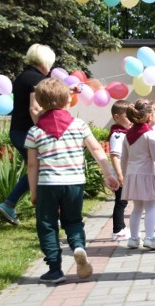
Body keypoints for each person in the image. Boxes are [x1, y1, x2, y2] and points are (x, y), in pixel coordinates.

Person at [25, 78, 119, 283]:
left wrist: (33, 191)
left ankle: (55, 269)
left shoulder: (35, 131)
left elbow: (32, 165)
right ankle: (77, 246)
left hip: (48, 184)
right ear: (67, 99)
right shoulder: (78, 125)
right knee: (73, 220)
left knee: (47, 224)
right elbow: (95, 149)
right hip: (74, 182)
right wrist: (108, 173)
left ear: (40, 101)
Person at [0, 44, 56, 226]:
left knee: (36, 169)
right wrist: (46, 130)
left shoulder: (24, 76)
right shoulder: (37, 79)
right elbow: (35, 108)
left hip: (18, 131)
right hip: (27, 132)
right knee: (39, 169)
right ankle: (42, 214)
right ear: (45, 61)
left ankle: (10, 204)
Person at [121, 99, 155, 250]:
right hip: (147, 175)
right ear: (149, 116)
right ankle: (149, 237)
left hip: (132, 176)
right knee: (150, 207)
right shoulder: (150, 134)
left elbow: (124, 158)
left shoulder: (128, 134)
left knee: (137, 208)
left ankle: (133, 238)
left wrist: (124, 174)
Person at [109, 100, 131, 240]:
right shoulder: (117, 134)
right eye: (127, 116)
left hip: (125, 172)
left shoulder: (124, 132)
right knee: (121, 201)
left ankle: (121, 227)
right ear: (117, 117)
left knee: (123, 201)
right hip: (120, 173)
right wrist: (119, 174)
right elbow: (114, 156)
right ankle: (117, 229)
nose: (131, 119)